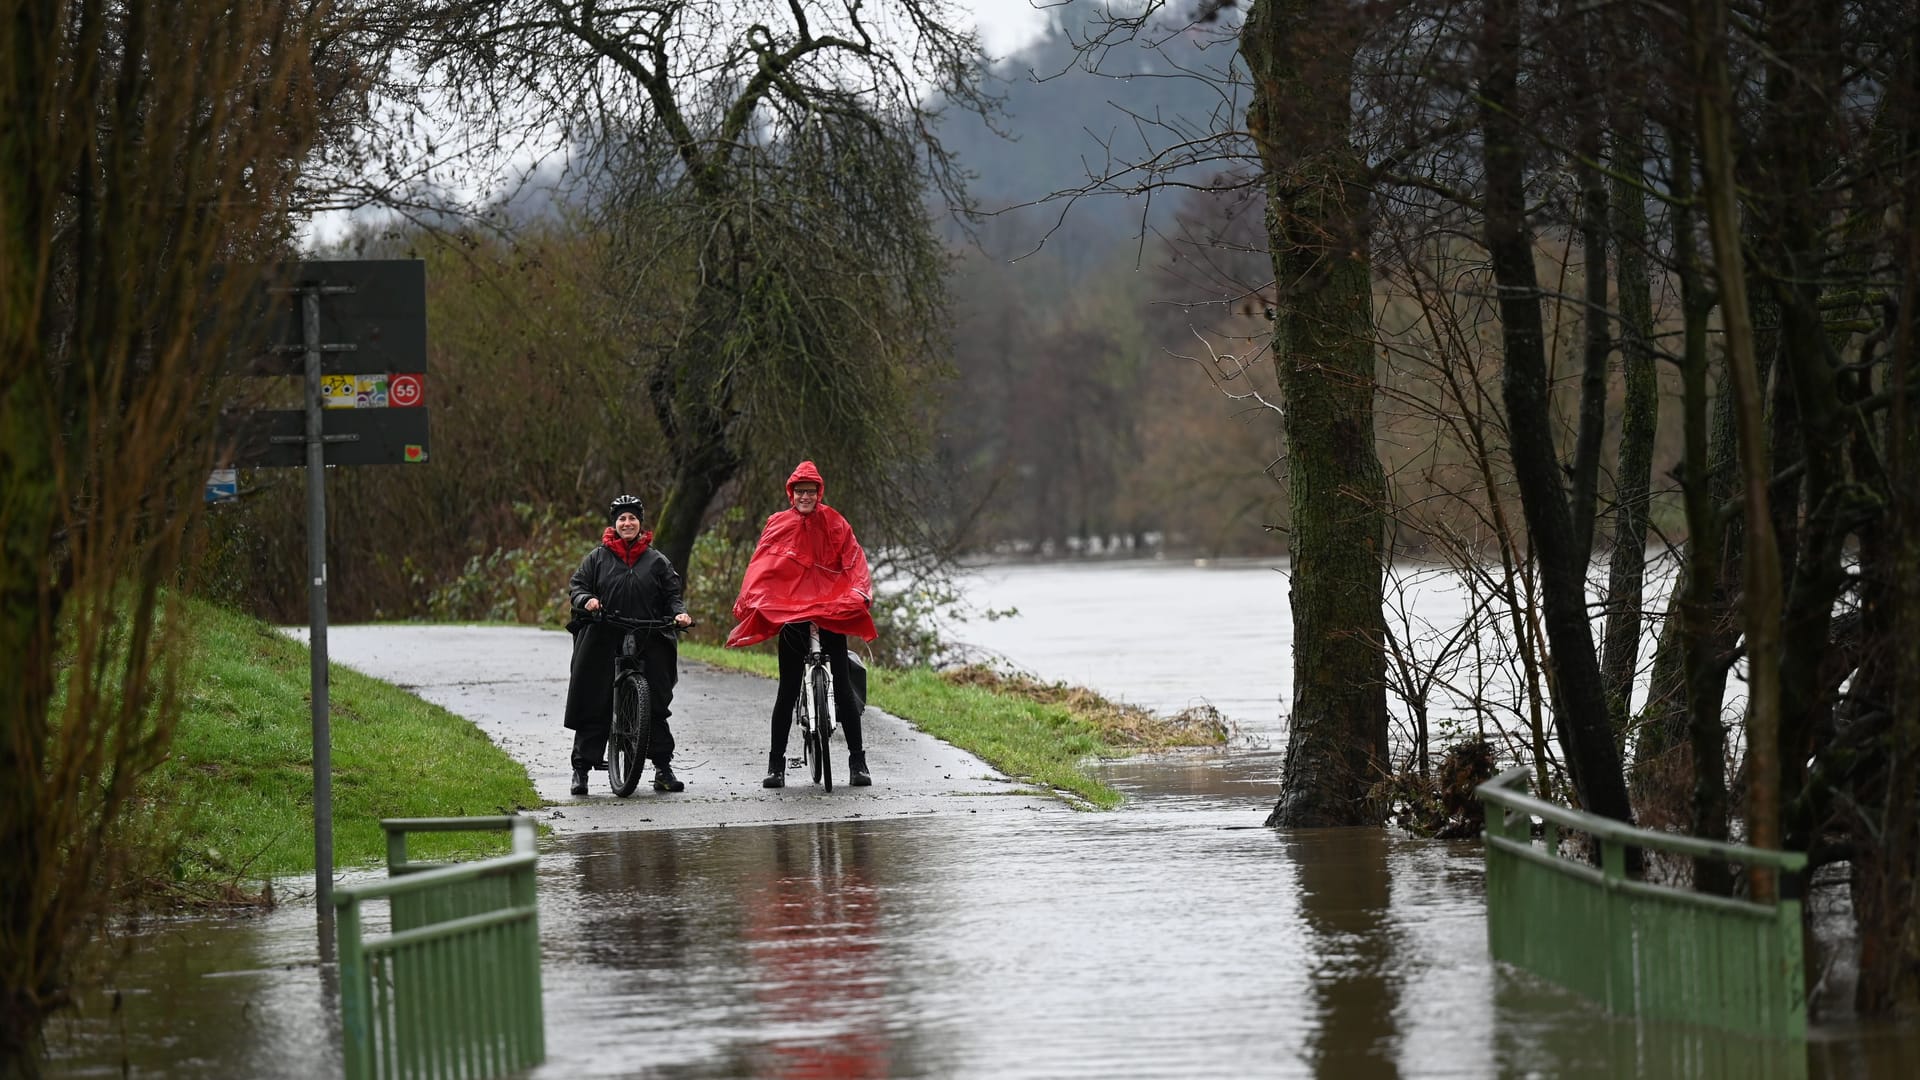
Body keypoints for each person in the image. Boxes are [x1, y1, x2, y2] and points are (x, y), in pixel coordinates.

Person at [727, 461, 876, 788]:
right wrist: (752, 597)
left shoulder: (835, 522)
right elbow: (762, 564)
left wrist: (858, 590)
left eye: (810, 491)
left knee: (843, 683)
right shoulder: (778, 523)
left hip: (829, 609)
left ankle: (858, 762)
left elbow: (853, 559)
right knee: (788, 688)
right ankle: (775, 766)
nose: (805, 497)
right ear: (791, 493)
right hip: (791, 611)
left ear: (818, 492)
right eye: (800, 491)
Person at [562, 494, 693, 796]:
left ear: (640, 522)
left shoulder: (657, 561)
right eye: (622, 518)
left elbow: (672, 595)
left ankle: (662, 768)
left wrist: (679, 614)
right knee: (593, 697)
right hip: (604, 631)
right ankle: (581, 770)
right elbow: (577, 587)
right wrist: (587, 600)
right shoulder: (597, 558)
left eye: (632, 518)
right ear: (615, 524)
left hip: (648, 633)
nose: (627, 523)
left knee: (655, 702)